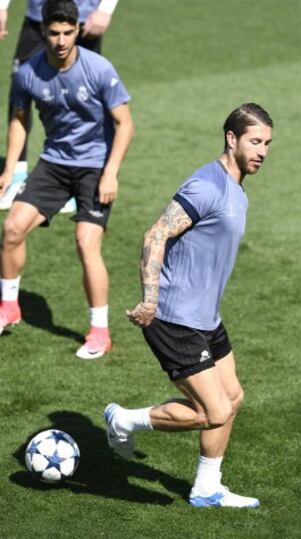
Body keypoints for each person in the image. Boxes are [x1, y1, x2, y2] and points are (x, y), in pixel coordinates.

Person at [104, 103, 273, 507]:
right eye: (254, 141)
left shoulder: (235, 185)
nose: (263, 151)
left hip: (205, 317)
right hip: (173, 316)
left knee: (232, 398)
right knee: (212, 411)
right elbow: (155, 235)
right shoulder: (206, 186)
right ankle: (124, 419)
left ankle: (206, 488)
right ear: (231, 139)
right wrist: (150, 299)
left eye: (267, 143)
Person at [0, 0, 134, 359]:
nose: (61, 40)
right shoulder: (28, 72)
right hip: (54, 164)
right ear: (42, 31)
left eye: (68, 33)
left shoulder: (98, 69)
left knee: (85, 242)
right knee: (12, 229)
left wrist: (110, 173)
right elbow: (18, 119)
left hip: (94, 167)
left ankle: (99, 331)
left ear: (77, 30)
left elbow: (125, 124)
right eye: (54, 32)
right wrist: (10, 168)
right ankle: (9, 306)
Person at [0, 0, 120, 211]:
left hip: (83, 17)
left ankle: (79, 180)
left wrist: (105, 8)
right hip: (37, 17)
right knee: (20, 89)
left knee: (84, 96)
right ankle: (17, 175)